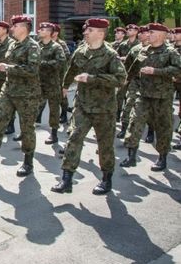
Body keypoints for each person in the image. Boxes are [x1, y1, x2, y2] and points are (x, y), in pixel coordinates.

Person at [51, 18, 126, 195]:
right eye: (85, 30)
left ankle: (106, 178)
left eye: (89, 30)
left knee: (105, 144)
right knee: (73, 139)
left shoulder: (110, 54)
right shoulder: (80, 51)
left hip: (104, 108)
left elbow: (121, 79)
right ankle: (66, 178)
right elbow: (71, 70)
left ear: (101, 33)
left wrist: (92, 78)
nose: (85, 32)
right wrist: (64, 86)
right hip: (82, 105)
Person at [0, 15, 41, 174]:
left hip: (26, 94)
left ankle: (28, 162)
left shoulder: (32, 46)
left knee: (26, 128)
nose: (12, 29)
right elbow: (8, 63)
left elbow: (32, 70)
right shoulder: (14, 45)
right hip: (8, 90)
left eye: (15, 26)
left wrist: (8, 68)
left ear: (24, 28)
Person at [119, 23, 181, 171]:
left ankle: (162, 157)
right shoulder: (143, 51)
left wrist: (156, 71)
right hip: (143, 94)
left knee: (163, 127)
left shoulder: (170, 52)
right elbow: (133, 68)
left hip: (162, 97)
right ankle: (131, 156)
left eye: (151, 32)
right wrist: (123, 81)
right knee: (135, 123)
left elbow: (179, 70)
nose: (147, 35)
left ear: (160, 35)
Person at [37, 22, 66, 145]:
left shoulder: (56, 47)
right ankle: (25, 132)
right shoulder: (37, 46)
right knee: (33, 106)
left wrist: (43, 63)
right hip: (38, 82)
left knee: (54, 109)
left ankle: (54, 134)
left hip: (53, 83)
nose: (39, 31)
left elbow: (61, 62)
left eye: (42, 29)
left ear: (49, 32)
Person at [115, 24, 140, 120]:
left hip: (134, 75)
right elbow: (116, 56)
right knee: (119, 95)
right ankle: (117, 113)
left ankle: (129, 116)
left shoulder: (139, 45)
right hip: (123, 73)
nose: (128, 31)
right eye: (128, 30)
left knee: (131, 97)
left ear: (136, 32)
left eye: (131, 30)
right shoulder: (123, 44)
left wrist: (126, 58)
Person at [52, 23, 72, 124]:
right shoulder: (46, 42)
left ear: (57, 32)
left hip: (60, 73)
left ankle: (64, 113)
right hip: (49, 74)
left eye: (54, 31)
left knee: (61, 94)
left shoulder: (61, 43)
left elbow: (67, 56)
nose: (52, 32)